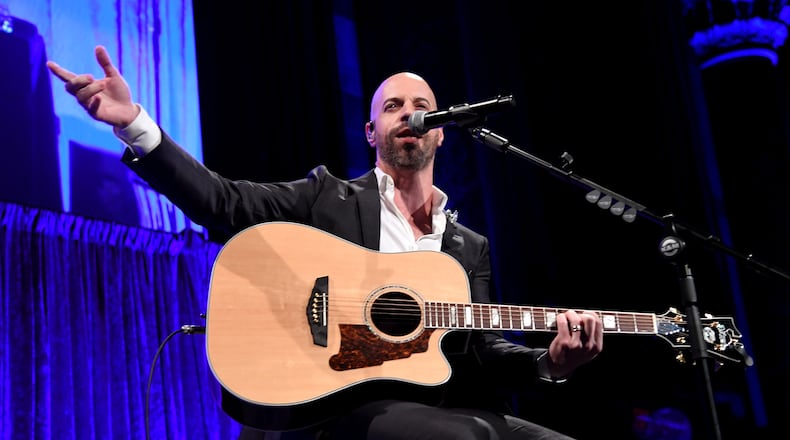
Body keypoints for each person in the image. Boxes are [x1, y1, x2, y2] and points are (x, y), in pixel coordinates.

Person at [47, 45, 604, 440]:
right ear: (371, 133)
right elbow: (224, 203)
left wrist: (549, 363)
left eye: (420, 107)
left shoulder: (467, 246)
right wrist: (135, 125)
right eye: (392, 106)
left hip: (437, 407)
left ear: (439, 131)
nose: (409, 114)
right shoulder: (327, 198)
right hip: (333, 405)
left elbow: (481, 352)